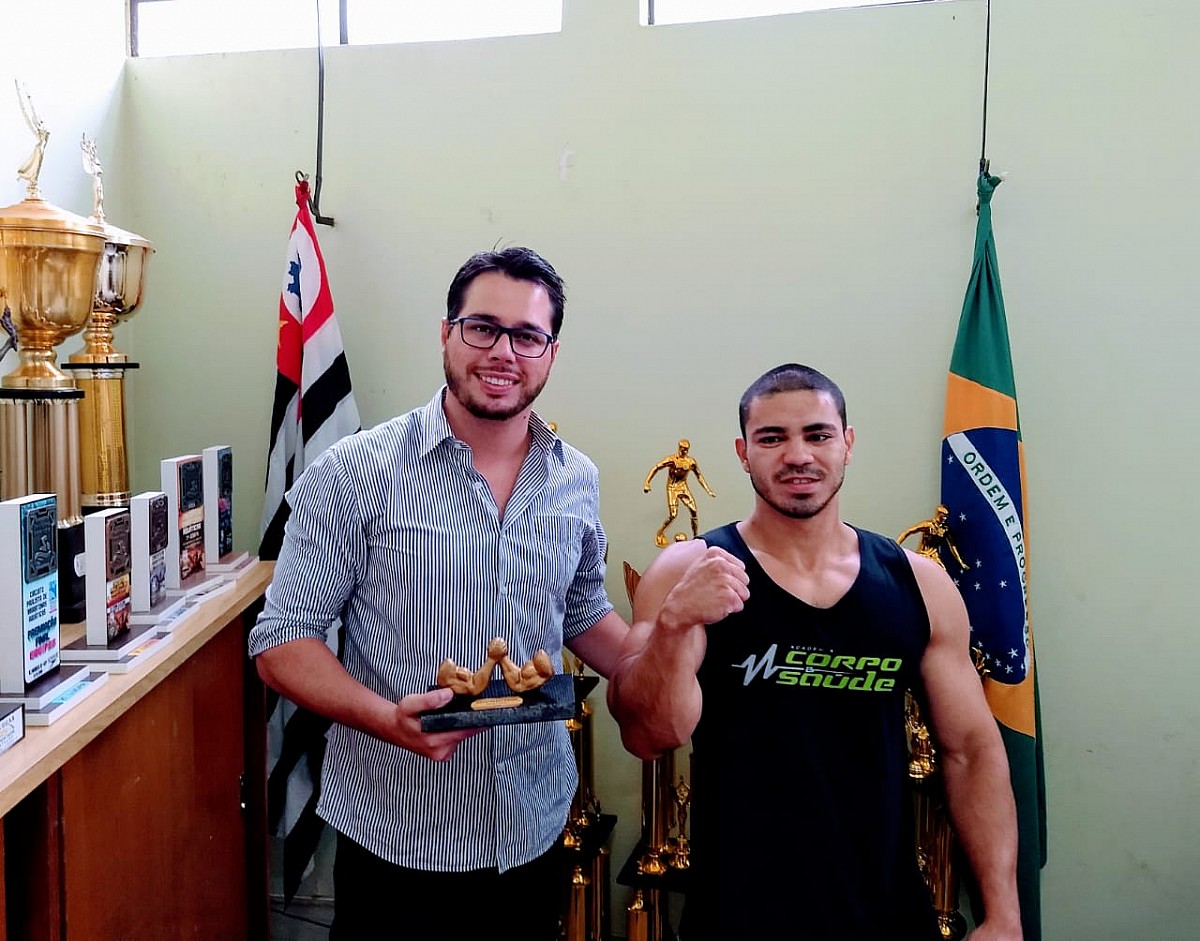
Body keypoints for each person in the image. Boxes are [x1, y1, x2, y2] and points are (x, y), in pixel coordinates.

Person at [248, 246, 630, 940]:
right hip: (400, 842)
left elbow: (579, 613)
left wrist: (660, 657)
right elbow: (282, 642)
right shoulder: (356, 472)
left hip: (534, 831)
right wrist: (387, 717)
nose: (503, 352)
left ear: (550, 350)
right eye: (481, 327)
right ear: (446, 331)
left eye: (527, 335)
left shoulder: (577, 478)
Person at [607, 363, 1022, 940]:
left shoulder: (918, 584)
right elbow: (650, 734)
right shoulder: (689, 570)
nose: (797, 455)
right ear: (743, 451)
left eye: (818, 434)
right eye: (772, 438)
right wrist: (675, 625)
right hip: (739, 914)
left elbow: (971, 752)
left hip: (886, 911)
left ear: (847, 444)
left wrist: (1003, 914)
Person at [643, 439, 716, 547]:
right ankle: (660, 532)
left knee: (694, 510)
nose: (685, 451)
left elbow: (699, 476)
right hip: (672, 488)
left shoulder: (691, 462)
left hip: (683, 487)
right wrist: (647, 482)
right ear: (679, 448)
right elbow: (657, 467)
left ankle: (696, 537)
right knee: (673, 515)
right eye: (683, 449)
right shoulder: (672, 460)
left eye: (687, 450)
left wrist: (708, 490)